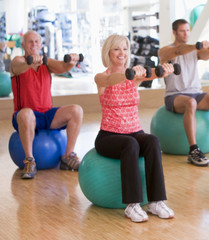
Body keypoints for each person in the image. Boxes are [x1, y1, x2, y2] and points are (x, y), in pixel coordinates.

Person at [94, 34, 175, 223]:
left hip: (134, 131)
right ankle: (132, 205)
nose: (122, 53)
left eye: (125, 48)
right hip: (109, 136)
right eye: (116, 49)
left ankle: (156, 201)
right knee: (130, 144)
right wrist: (128, 73)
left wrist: (164, 69)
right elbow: (112, 80)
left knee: (152, 140)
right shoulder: (101, 78)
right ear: (108, 52)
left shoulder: (133, 76)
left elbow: (153, 73)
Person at [158, 19, 209, 167]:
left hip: (195, 93)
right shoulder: (165, 51)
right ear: (174, 32)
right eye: (182, 31)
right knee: (190, 102)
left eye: (188, 30)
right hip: (174, 96)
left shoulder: (194, 51)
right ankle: (193, 150)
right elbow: (178, 51)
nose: (186, 33)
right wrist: (195, 46)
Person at [10, 30, 83, 179]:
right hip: (24, 116)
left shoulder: (46, 62)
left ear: (41, 44)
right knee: (26, 113)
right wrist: (30, 62)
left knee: (76, 110)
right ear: (23, 45)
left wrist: (72, 61)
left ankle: (67, 156)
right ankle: (30, 160)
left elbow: (63, 67)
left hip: (46, 115)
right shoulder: (18, 61)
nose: (34, 44)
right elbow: (18, 67)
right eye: (30, 41)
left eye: (37, 41)